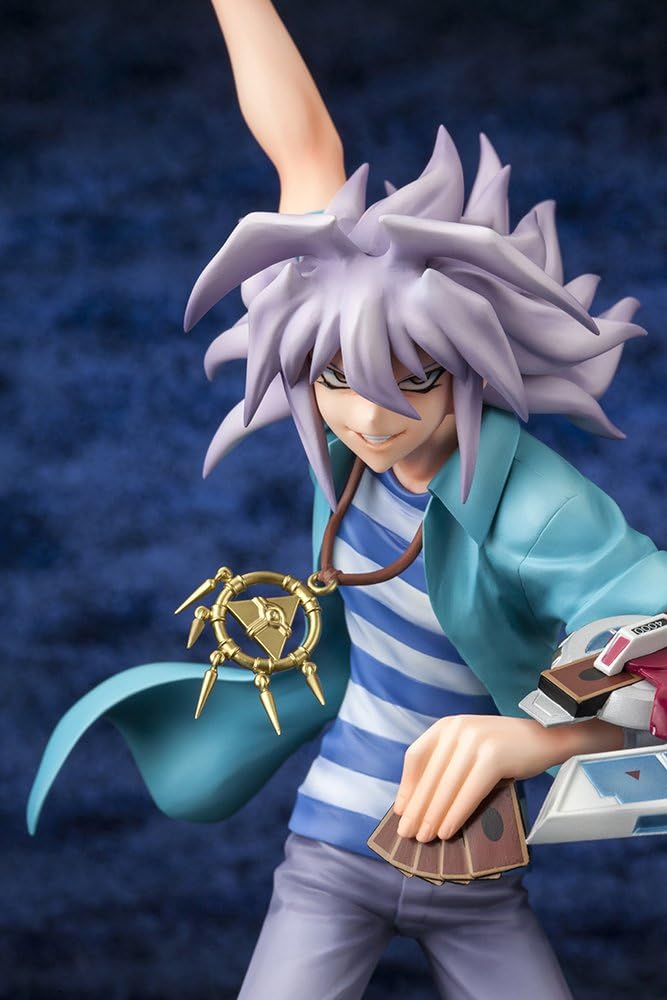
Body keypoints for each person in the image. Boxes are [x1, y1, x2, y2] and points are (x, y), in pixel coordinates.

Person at [28, 2, 667, 997]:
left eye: (412, 382)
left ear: (470, 367)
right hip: (332, 846)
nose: (368, 415)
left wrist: (535, 738)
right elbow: (304, 153)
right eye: (336, 378)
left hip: (470, 869)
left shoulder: (533, 505)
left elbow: (659, 646)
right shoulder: (342, 442)